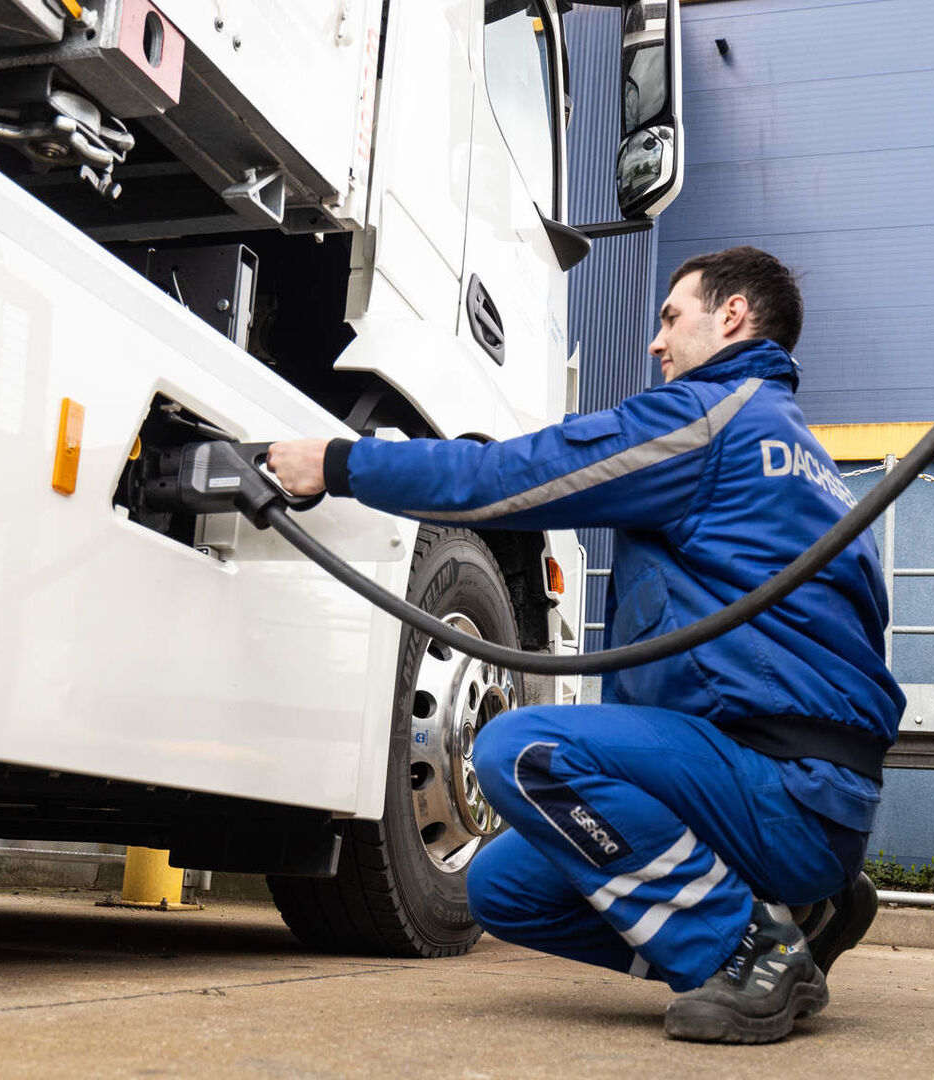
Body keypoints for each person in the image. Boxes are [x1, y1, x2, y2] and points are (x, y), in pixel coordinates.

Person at [266, 245, 902, 1044]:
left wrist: (340, 463)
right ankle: (795, 919)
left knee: (522, 750)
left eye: (673, 317)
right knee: (503, 888)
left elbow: (515, 477)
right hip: (811, 800)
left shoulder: (710, 418)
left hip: (774, 787)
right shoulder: (819, 471)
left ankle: (745, 953)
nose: (656, 342)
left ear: (732, 315)